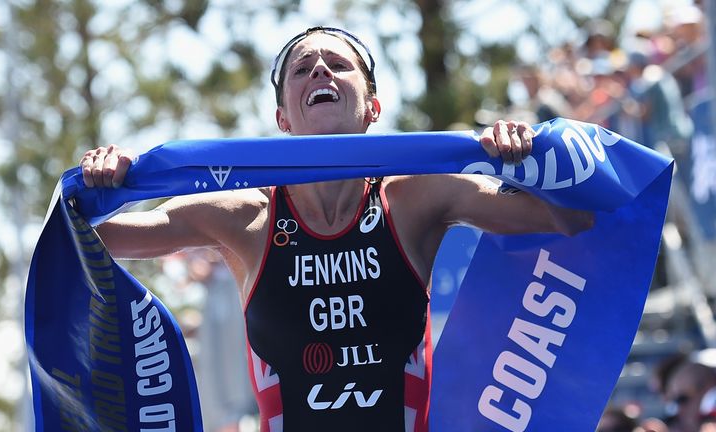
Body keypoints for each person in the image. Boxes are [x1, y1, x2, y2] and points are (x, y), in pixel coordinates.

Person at [78, 26, 594, 432]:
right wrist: (105, 185)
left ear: (372, 107)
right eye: (302, 68)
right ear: (283, 117)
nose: (319, 68)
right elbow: (91, 239)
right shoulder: (244, 215)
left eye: (338, 64)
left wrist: (527, 163)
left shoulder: (416, 196)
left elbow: (573, 219)